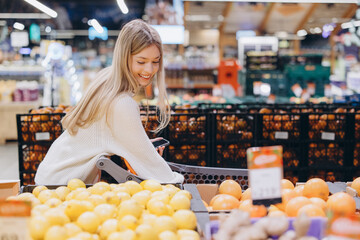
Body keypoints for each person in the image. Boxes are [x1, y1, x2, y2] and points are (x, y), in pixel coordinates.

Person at [35, 19, 184, 185]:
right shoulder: (121, 103)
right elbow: (154, 170)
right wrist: (179, 183)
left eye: (155, 61)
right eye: (141, 62)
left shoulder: (106, 79)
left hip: (52, 178)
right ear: (124, 57)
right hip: (59, 189)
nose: (149, 70)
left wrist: (139, 144)